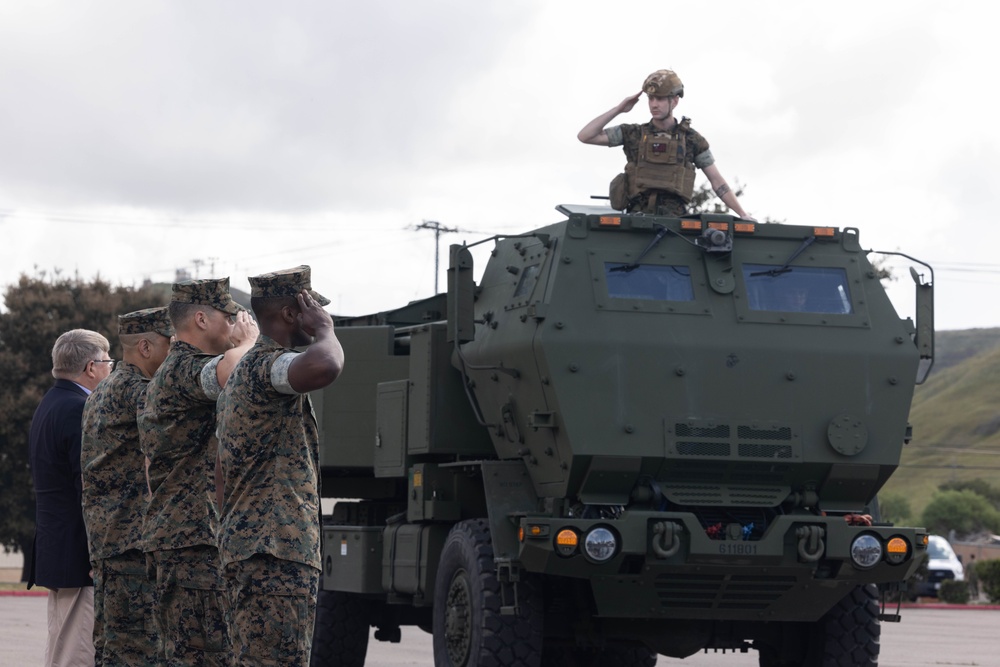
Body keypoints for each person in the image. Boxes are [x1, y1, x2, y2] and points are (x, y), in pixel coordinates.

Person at [217, 266, 344, 665]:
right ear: (292, 315)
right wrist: (325, 331)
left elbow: (220, 471)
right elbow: (327, 365)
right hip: (275, 552)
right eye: (311, 311)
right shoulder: (266, 367)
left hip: (251, 548)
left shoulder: (241, 375)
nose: (318, 319)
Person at [138, 278, 258, 666]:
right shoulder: (181, 371)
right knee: (205, 656)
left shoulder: (177, 371)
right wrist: (249, 344)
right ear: (202, 319)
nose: (236, 323)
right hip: (190, 541)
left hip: (185, 537)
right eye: (230, 316)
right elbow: (233, 375)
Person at [81, 307, 173, 666]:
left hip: (110, 541)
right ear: (146, 347)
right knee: (138, 651)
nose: (176, 351)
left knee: (113, 647)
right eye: (171, 343)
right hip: (132, 545)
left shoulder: (101, 391)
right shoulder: (140, 394)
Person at [28, 328, 113, 667]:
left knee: (63, 646)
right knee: (78, 652)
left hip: (58, 545)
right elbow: (87, 488)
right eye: (108, 362)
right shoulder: (79, 408)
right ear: (91, 367)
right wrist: (99, 551)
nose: (111, 369)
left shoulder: (51, 403)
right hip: (77, 551)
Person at [578, 68, 752, 219]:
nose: (654, 104)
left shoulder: (691, 139)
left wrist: (742, 214)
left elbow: (717, 182)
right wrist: (619, 109)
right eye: (651, 98)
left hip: (676, 223)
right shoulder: (633, 134)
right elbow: (585, 136)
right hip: (636, 219)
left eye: (660, 99)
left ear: (674, 101)